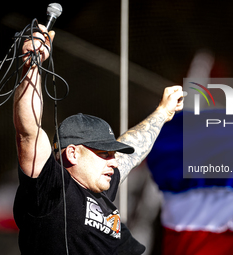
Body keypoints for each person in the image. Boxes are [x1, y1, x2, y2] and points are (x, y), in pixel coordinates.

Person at [12, 25, 184, 255]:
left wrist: (162, 113)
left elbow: (133, 150)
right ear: (72, 153)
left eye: (112, 155)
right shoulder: (51, 188)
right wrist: (31, 65)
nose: (113, 162)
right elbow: (28, 132)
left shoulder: (101, 188)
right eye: (104, 154)